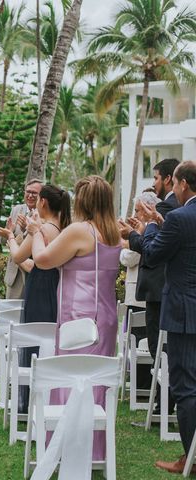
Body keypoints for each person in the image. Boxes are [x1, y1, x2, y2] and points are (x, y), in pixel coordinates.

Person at [29, 175, 122, 462]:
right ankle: (93, 450)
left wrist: (35, 232)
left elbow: (43, 260)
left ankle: (69, 448)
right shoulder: (114, 232)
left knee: (71, 377)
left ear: (83, 201)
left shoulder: (80, 230)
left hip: (78, 317)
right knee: (95, 382)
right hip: (104, 317)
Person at [137, 161, 196, 474]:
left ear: (183, 183)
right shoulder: (177, 217)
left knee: (185, 387)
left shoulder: (180, 217)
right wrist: (162, 221)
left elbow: (154, 254)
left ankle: (191, 457)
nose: (172, 187)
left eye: (174, 182)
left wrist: (149, 226)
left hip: (184, 314)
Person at [0, 184, 71, 412]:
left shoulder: (42, 229)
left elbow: (18, 256)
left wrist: (10, 237)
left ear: (43, 203)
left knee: (33, 340)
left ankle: (28, 403)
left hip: (38, 290)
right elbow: (38, 264)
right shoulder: (63, 228)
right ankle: (46, 399)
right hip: (54, 286)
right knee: (48, 338)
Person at [120, 158, 180, 414]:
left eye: (156, 178)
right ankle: (163, 402)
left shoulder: (167, 207)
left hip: (159, 289)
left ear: (169, 179)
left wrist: (135, 234)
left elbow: (153, 249)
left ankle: (163, 403)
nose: (154, 183)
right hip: (165, 289)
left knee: (160, 348)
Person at [2, 179, 43, 299]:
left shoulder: (43, 214)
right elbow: (4, 242)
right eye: (28, 191)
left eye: (34, 193)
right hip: (13, 275)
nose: (30, 195)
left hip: (32, 272)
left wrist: (26, 230)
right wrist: (9, 232)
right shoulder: (16, 210)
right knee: (10, 314)